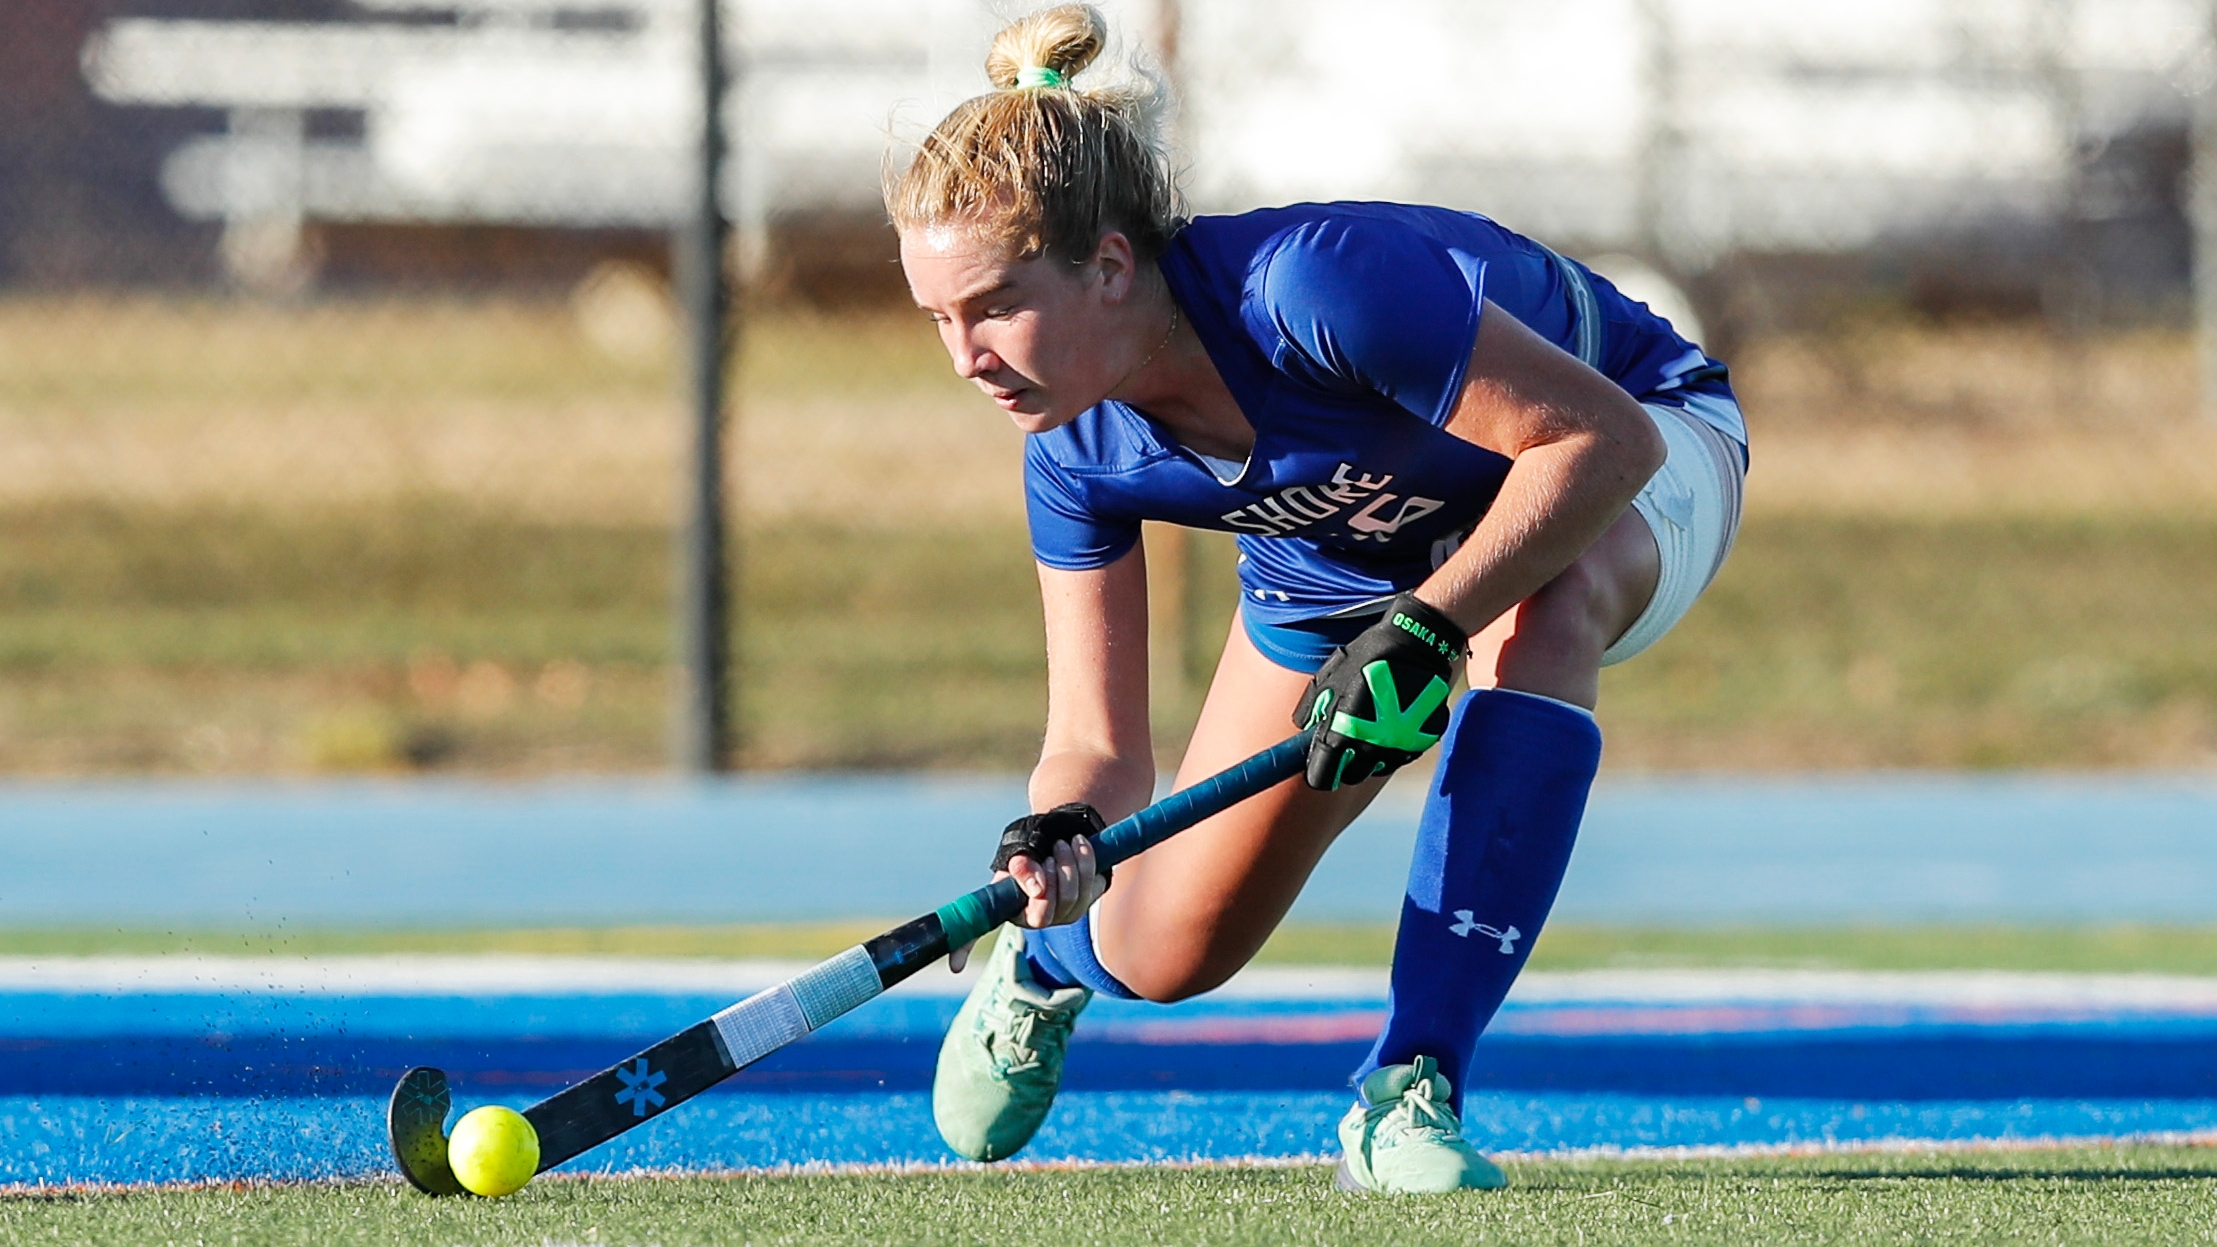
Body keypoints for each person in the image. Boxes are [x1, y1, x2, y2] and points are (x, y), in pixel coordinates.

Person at [888, 4, 1746, 1195]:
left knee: (1545, 602)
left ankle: (1412, 1086)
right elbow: (1093, 742)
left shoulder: (1315, 288)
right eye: (939, 317)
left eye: (992, 305)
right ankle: (1049, 970)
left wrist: (1432, 623)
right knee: (1174, 948)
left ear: (1111, 267)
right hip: (1339, 568)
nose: (965, 356)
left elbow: (1599, 444)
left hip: (1633, 433)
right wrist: (1059, 835)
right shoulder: (1072, 454)